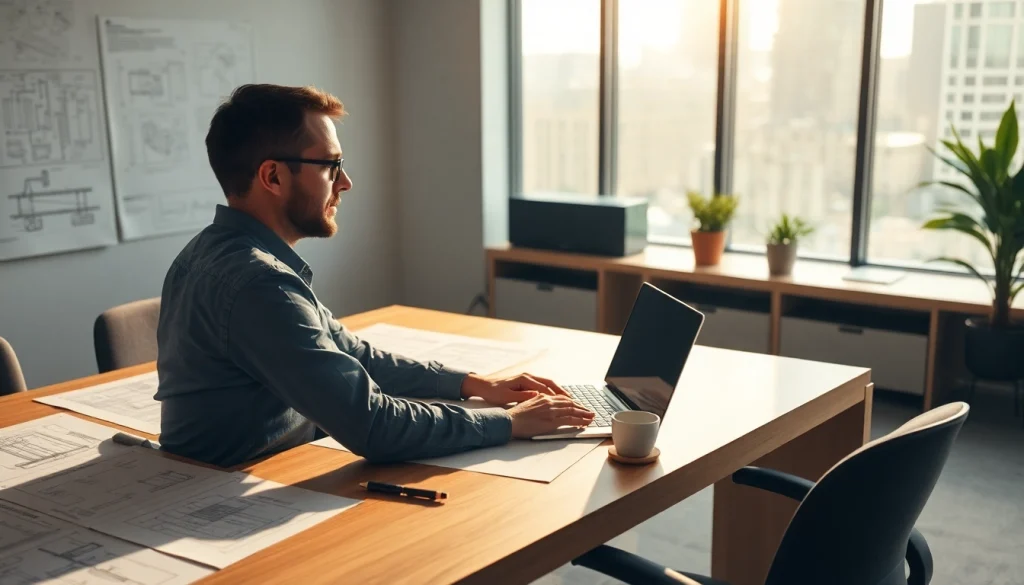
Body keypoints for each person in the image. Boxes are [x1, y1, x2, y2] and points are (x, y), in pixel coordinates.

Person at [155, 84, 594, 467]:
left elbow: (350, 352)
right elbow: (374, 425)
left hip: (255, 466)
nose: (345, 182)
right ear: (272, 176)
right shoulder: (258, 283)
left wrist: (471, 384)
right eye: (330, 165)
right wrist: (508, 423)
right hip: (224, 487)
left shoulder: (211, 251)